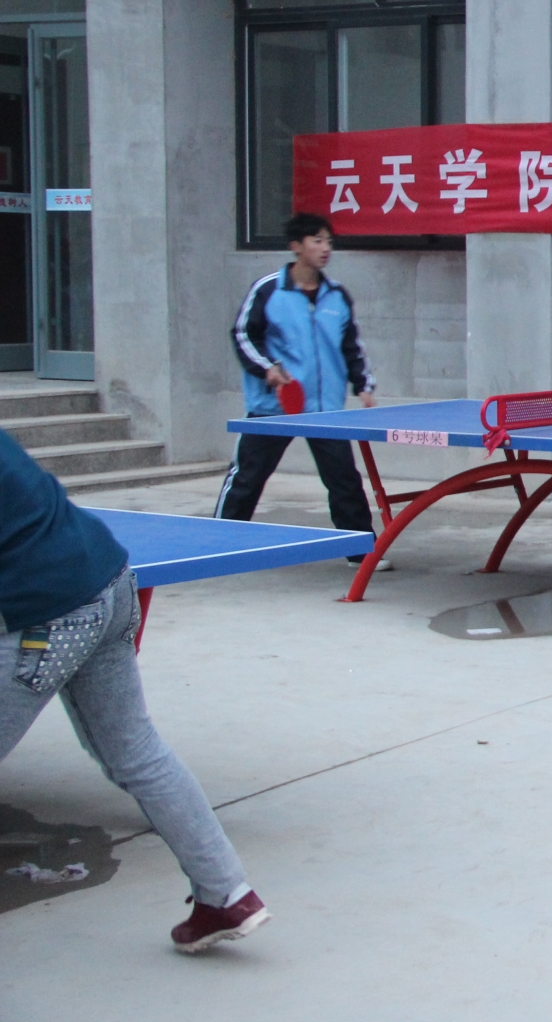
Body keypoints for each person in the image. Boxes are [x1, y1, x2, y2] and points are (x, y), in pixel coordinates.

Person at [1, 429, 268, 952]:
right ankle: (227, 894)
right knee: (137, 751)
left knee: (134, 752)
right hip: (110, 582)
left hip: (49, 616)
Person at [218, 212, 380, 559]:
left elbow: (351, 346)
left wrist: (363, 384)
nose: (325, 248)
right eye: (317, 241)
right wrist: (268, 368)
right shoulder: (268, 290)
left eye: (329, 241)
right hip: (274, 407)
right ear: (296, 246)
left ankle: (360, 552)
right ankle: (217, 544)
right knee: (247, 478)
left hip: (324, 410)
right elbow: (244, 334)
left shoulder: (337, 296)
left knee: (344, 481)